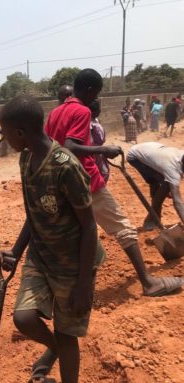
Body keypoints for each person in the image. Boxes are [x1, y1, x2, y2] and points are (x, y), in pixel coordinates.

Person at [45, 68, 182, 297]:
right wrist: (103, 149)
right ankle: (149, 283)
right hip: (86, 181)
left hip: (60, 183)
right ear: (89, 90)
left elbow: (52, 149)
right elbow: (70, 147)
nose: (96, 99)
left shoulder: (54, 113)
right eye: (96, 93)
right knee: (123, 228)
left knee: (75, 235)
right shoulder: (81, 111)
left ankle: (64, 289)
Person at [0, 95, 104, 383]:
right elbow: (34, 213)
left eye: (6, 134)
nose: (5, 140)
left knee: (65, 333)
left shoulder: (64, 167)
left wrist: (83, 284)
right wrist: (16, 251)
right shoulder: (25, 158)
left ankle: (63, 353)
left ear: (20, 133)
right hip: (41, 256)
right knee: (24, 318)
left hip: (73, 263)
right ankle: (58, 351)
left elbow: (89, 227)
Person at [127, 142, 184, 230]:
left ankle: (154, 218)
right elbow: (177, 202)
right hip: (135, 156)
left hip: (152, 149)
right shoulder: (173, 169)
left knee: (166, 186)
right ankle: (151, 220)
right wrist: (173, 191)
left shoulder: (181, 154)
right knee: (159, 185)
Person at [89, 100, 109, 183]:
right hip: (94, 151)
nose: (100, 111)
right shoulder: (90, 123)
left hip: (99, 150)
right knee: (103, 172)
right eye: (97, 109)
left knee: (104, 171)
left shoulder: (96, 121)